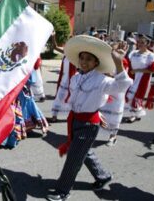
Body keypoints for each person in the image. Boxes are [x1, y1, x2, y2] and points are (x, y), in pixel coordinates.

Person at [47, 35, 132, 201]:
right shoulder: (76, 77)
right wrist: (96, 111)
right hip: (75, 120)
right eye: (82, 58)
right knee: (83, 152)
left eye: (89, 59)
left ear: (96, 63)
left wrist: (118, 62)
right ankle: (103, 176)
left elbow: (122, 85)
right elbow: (81, 101)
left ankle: (63, 191)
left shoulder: (103, 80)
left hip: (88, 125)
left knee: (73, 157)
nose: (84, 61)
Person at [124, 34, 154, 123]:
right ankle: (136, 113)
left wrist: (138, 70)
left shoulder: (150, 55)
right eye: (138, 42)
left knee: (137, 96)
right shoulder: (133, 53)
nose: (140, 44)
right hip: (132, 77)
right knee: (129, 95)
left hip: (142, 79)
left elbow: (153, 70)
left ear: (147, 44)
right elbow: (128, 64)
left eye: (142, 42)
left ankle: (133, 114)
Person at [49, 32, 77, 123]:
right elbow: (55, 47)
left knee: (72, 99)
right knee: (59, 97)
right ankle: (54, 115)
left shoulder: (77, 55)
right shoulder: (66, 53)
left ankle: (72, 116)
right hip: (63, 80)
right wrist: (53, 37)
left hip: (73, 81)